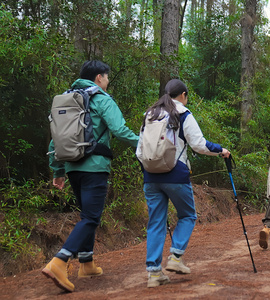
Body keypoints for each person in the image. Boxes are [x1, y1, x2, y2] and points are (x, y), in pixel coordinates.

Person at [42, 60, 140, 292]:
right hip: (94, 166)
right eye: (107, 77)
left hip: (72, 167)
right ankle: (60, 261)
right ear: (99, 77)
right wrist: (145, 144)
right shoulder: (101, 99)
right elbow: (119, 130)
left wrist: (57, 171)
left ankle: (86, 263)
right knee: (92, 218)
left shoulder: (67, 100)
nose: (107, 81)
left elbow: (55, 138)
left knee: (86, 215)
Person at [136, 79, 230, 288]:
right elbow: (199, 144)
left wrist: (148, 171)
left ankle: (153, 274)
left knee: (156, 223)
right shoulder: (183, 113)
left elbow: (139, 148)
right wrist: (220, 150)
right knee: (187, 215)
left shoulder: (149, 114)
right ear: (184, 95)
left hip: (151, 176)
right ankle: (176, 257)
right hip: (175, 174)